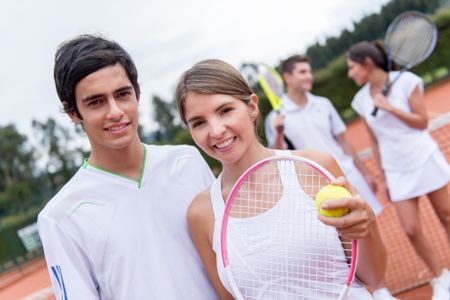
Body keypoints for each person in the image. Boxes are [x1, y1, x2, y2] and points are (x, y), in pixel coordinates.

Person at [175, 59, 387, 299]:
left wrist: (366, 228)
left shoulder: (317, 166)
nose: (215, 130)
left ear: (252, 107)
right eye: (199, 122)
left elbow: (373, 276)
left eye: (225, 110)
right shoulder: (200, 214)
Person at [37, 35, 218, 299]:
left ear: (137, 94)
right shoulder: (59, 217)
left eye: (122, 95)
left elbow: (229, 257)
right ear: (73, 112)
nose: (115, 111)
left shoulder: (187, 161)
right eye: (96, 102)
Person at [347, 41, 450, 300]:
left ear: (367, 65)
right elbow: (374, 141)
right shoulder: (360, 101)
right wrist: (382, 177)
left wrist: (390, 107)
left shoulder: (408, 82)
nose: (350, 74)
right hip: (397, 170)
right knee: (411, 229)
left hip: (424, 156)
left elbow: (421, 122)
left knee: (447, 215)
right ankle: (441, 276)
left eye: (352, 67)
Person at [264, 55, 383, 216]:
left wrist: (366, 173)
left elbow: (344, 142)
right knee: (343, 237)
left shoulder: (323, 104)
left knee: (370, 224)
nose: (309, 76)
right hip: (318, 187)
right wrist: (278, 132)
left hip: (348, 175)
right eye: (303, 72)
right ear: (287, 78)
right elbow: (278, 158)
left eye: (310, 72)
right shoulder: (275, 119)